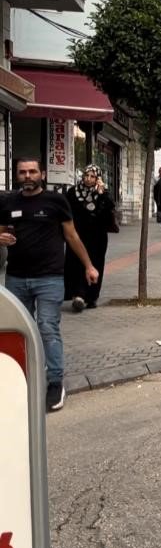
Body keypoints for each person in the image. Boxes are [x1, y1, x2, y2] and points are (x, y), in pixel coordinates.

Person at [0, 158, 99, 411]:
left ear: (42, 174)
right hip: (16, 277)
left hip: (49, 278)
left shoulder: (56, 201)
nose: (28, 175)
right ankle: (21, 377)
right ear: (17, 175)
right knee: (19, 329)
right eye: (23, 172)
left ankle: (55, 382)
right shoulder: (8, 202)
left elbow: (71, 235)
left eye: (32, 171)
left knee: (47, 327)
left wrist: (88, 265)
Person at [64, 164, 116, 311]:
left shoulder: (102, 193)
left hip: (97, 236)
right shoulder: (73, 192)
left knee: (96, 264)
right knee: (76, 264)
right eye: (86, 175)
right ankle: (78, 295)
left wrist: (102, 194)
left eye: (92, 176)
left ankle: (91, 296)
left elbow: (109, 211)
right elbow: (66, 212)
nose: (88, 179)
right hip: (77, 235)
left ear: (98, 178)